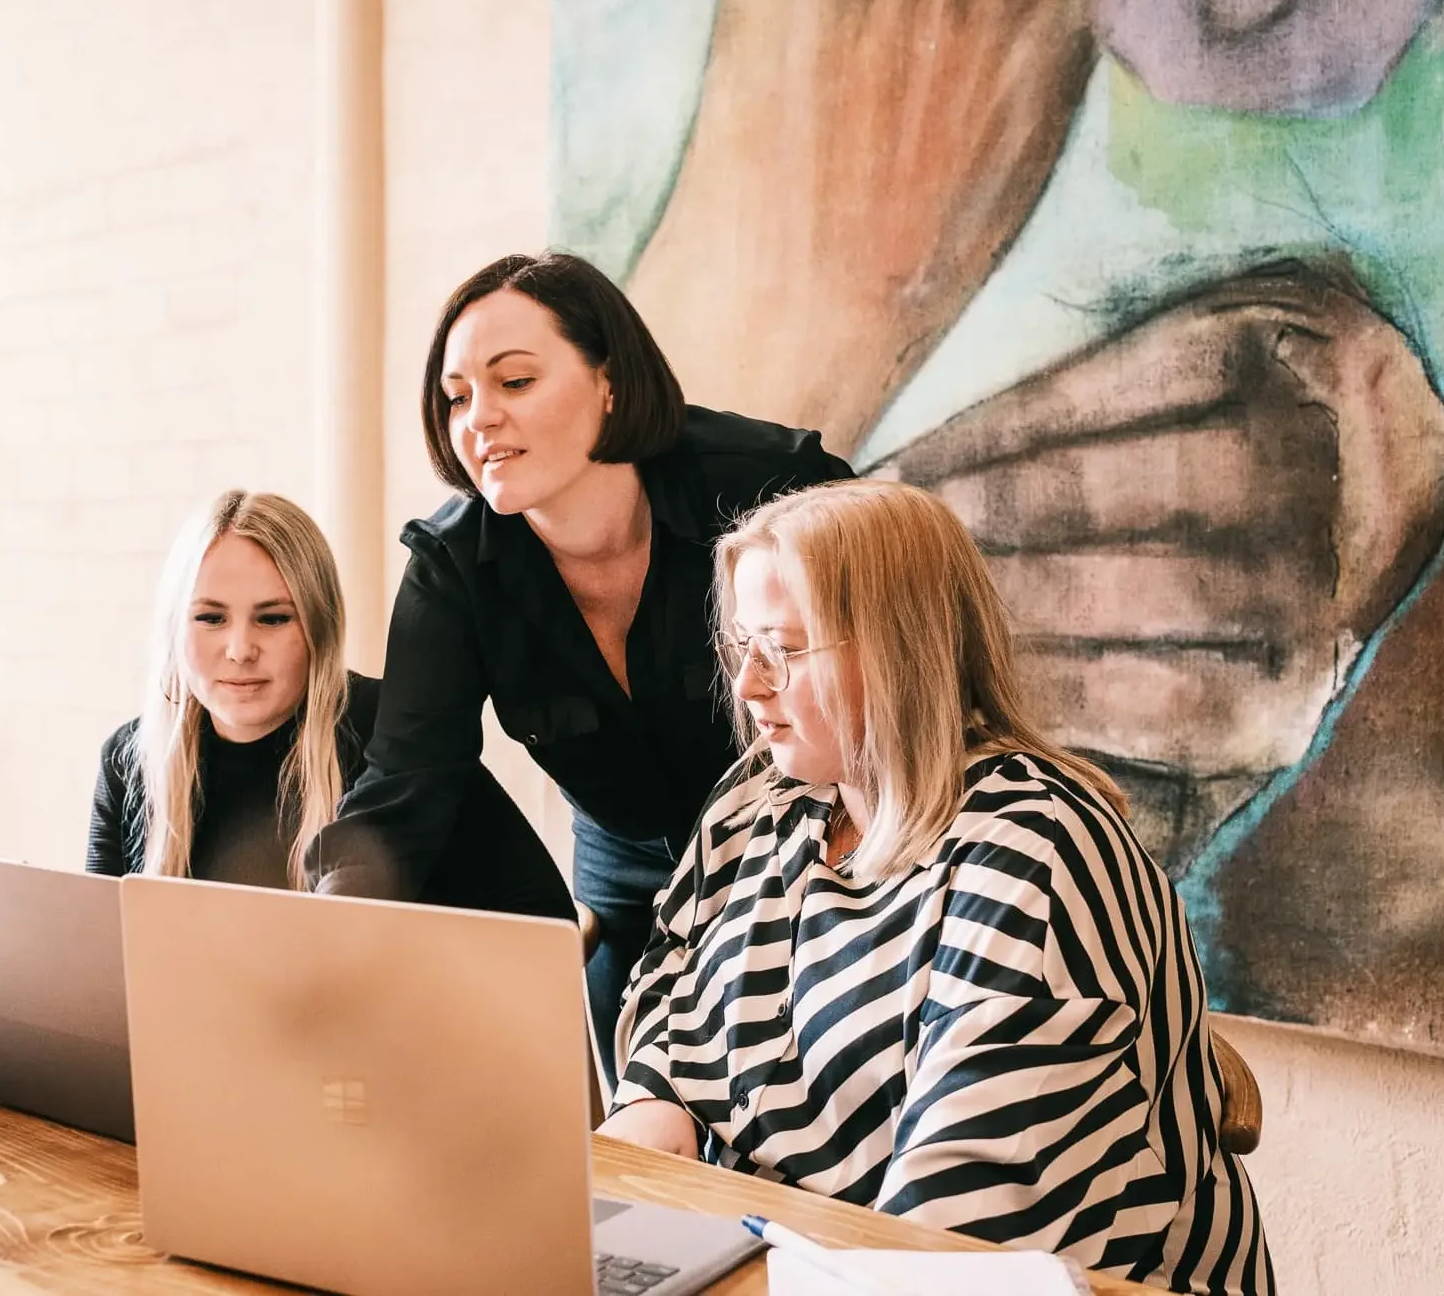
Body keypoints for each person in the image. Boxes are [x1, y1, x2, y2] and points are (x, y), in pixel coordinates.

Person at [597, 480, 1274, 1293]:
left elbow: (957, 1239)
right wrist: (655, 1097)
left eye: (783, 649)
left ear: (898, 653)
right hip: (784, 1256)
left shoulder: (1036, 861)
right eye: (742, 644)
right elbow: (674, 972)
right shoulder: (759, 801)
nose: (747, 685)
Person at [309, 251, 852, 1070]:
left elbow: (891, 673)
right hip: (625, 865)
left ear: (610, 382)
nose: (478, 418)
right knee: (641, 1101)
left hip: (806, 839)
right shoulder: (453, 567)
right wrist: (321, 937)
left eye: (514, 381)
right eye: (457, 396)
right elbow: (404, 784)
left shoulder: (772, 485)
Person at [88, 489, 573, 921]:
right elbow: (98, 956)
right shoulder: (129, 760)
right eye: (211, 618)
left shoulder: (394, 735)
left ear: (320, 627)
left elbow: (542, 919)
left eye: (273, 619)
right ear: (174, 628)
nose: (239, 650)